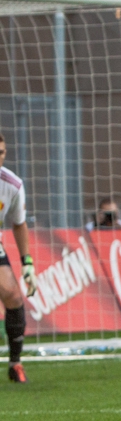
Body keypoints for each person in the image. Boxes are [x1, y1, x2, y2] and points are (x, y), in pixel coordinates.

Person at [0, 135, 36, 383]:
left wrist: (27, 262)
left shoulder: (12, 184)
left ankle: (15, 363)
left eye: (1, 152)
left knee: (13, 295)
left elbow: (19, 224)